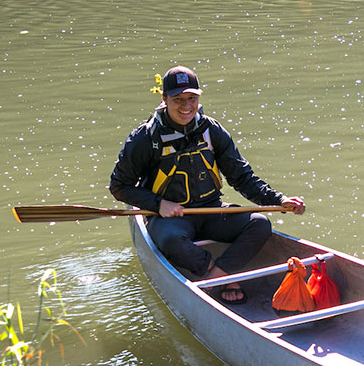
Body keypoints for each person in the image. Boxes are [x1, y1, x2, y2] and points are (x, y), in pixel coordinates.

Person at [109, 65, 305, 303]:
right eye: (178, 99)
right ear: (164, 99)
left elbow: (241, 177)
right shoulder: (145, 138)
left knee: (260, 224)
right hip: (171, 219)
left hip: (212, 210)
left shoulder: (212, 131)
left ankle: (217, 275)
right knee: (171, 240)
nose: (186, 106)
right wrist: (158, 204)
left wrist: (279, 200)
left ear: (199, 97)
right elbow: (119, 186)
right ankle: (216, 272)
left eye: (191, 98)